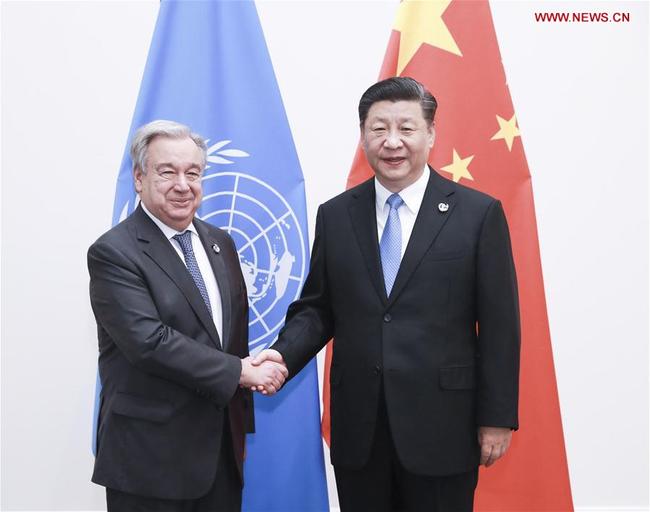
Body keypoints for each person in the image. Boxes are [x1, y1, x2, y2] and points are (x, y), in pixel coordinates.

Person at [254, 77, 520, 511]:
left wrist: (497, 418)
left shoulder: (478, 214)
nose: (392, 142)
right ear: (363, 136)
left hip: (444, 428)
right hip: (361, 431)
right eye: (379, 129)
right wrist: (282, 356)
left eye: (406, 128)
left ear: (431, 135)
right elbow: (319, 309)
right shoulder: (337, 215)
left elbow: (500, 326)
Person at [88, 120, 287, 511]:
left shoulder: (220, 243)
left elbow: (231, 340)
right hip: (150, 462)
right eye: (168, 172)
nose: (183, 184)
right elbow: (149, 343)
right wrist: (242, 372)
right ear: (139, 177)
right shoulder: (114, 253)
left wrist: (245, 401)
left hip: (220, 459)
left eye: (193, 173)